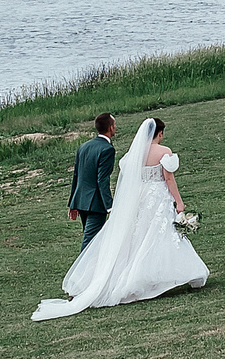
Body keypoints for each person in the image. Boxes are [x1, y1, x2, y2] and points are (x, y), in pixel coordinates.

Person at [32, 117, 209, 321]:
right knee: (161, 236)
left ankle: (133, 277)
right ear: (159, 133)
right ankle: (163, 277)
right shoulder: (164, 152)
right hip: (158, 196)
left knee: (136, 238)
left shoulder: (134, 154)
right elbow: (168, 178)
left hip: (140, 199)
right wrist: (179, 203)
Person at [68, 113, 120, 249]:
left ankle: (93, 269)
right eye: (114, 125)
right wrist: (110, 206)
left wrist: (73, 203)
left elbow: (76, 175)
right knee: (90, 243)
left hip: (81, 201)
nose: (115, 127)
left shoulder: (84, 146)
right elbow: (102, 180)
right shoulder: (107, 149)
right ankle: (80, 270)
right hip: (95, 204)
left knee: (93, 242)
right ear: (110, 127)